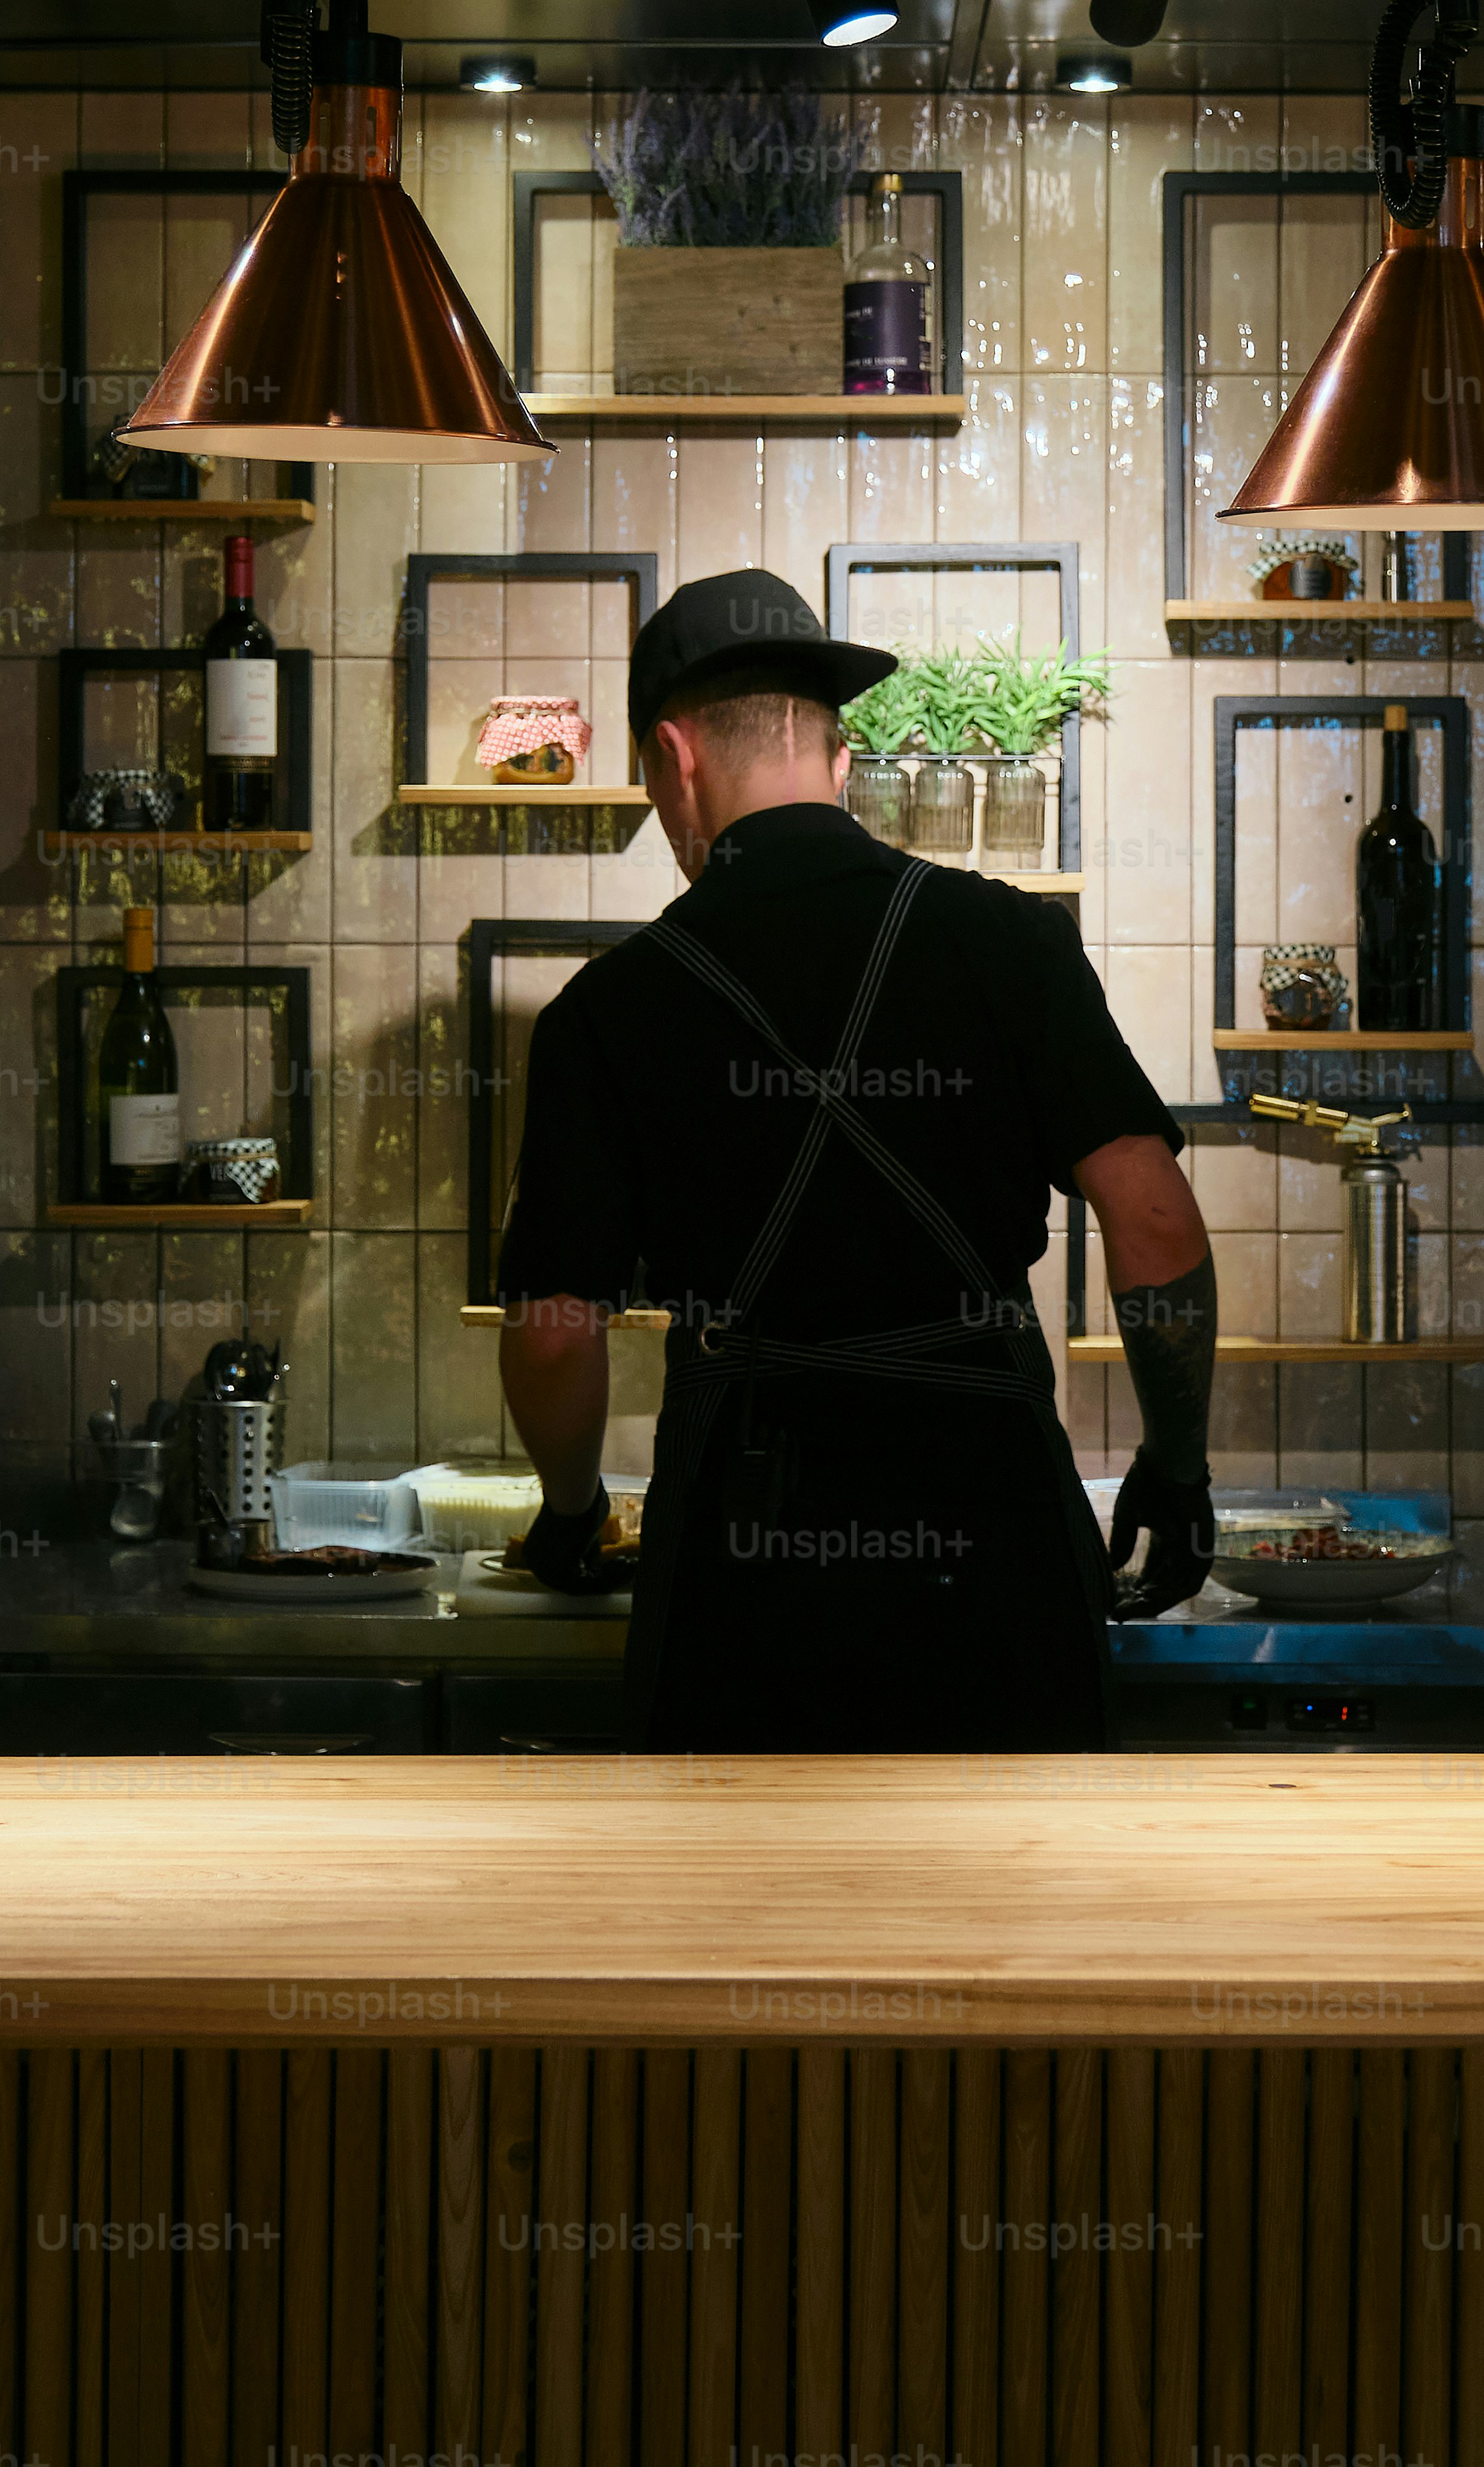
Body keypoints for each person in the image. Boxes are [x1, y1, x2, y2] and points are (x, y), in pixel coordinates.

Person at [490, 567, 1220, 1750]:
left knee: (746, 1919)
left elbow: (558, 1328)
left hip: (750, 1559)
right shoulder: (1012, 941)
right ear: (837, 760)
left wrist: (570, 1516)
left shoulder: (604, 1013)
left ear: (674, 758)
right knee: (1017, 1915)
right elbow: (1157, 1227)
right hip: (996, 1542)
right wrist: (1176, 1469)